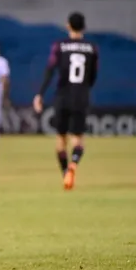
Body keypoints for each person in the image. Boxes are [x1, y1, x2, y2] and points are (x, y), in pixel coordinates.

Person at [34, 12, 99, 190]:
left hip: (62, 96)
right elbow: (93, 76)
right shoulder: (92, 48)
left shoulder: (59, 46)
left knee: (61, 140)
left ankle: (65, 174)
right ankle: (74, 165)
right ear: (84, 27)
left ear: (68, 26)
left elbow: (50, 70)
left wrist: (40, 94)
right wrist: (85, 89)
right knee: (77, 140)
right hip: (81, 96)